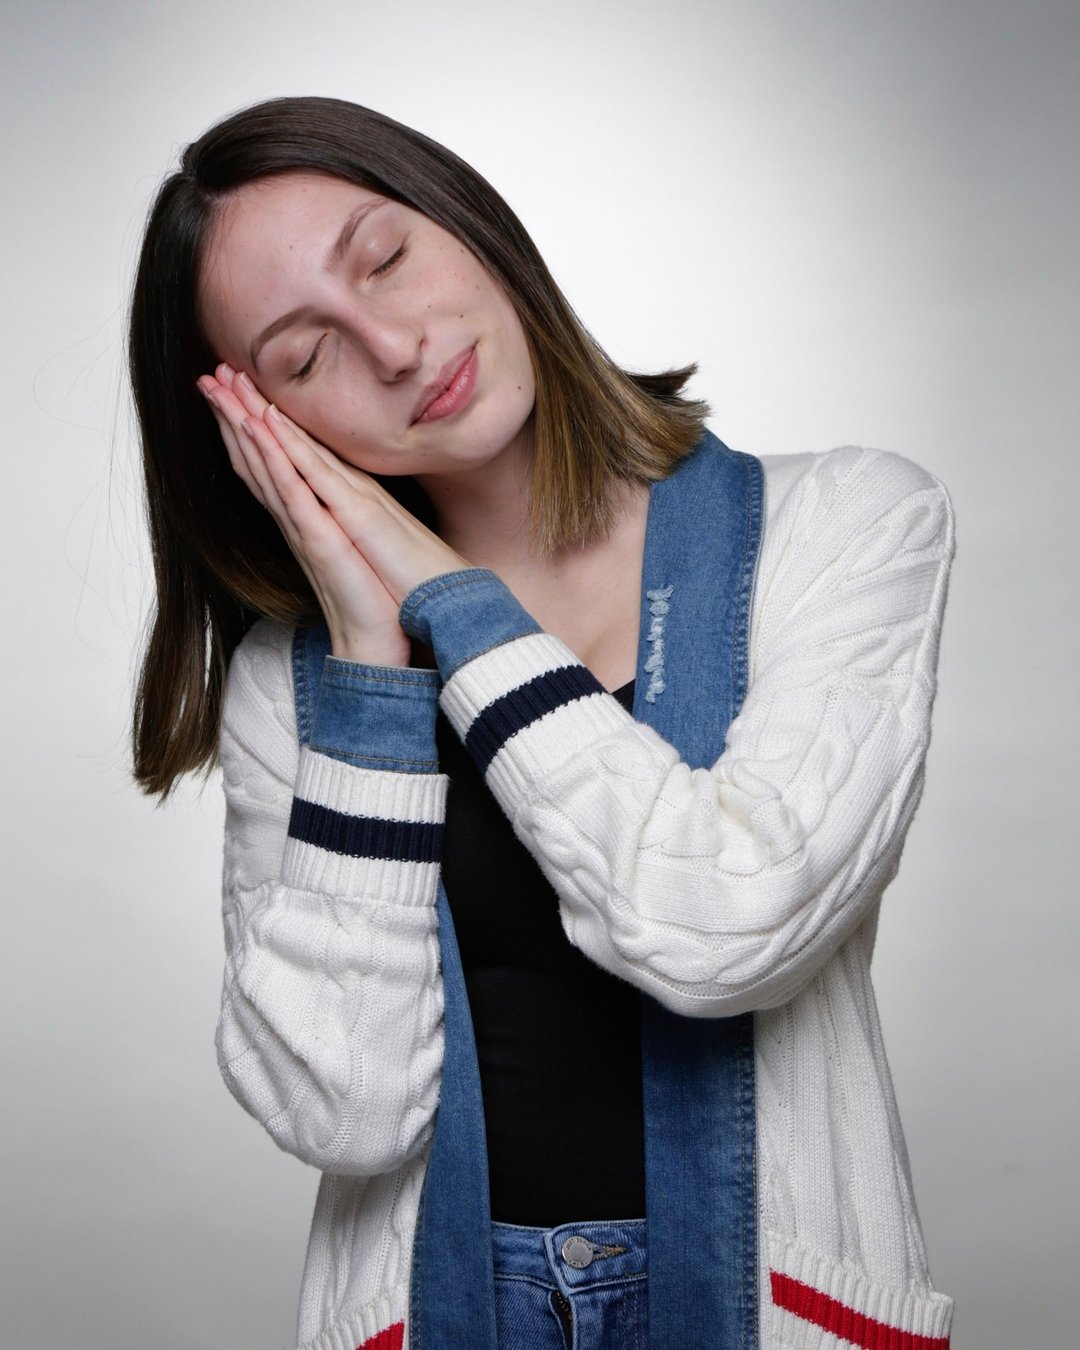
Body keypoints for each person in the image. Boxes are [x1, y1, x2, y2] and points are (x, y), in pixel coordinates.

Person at [128, 96, 956, 1350]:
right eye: (306, 357)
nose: (397, 347)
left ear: (467, 217)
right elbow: (343, 1113)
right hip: (443, 1312)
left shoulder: (840, 526)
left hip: (773, 1306)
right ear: (267, 431)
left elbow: (724, 929)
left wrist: (454, 606)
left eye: (388, 256)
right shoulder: (292, 689)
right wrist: (369, 655)